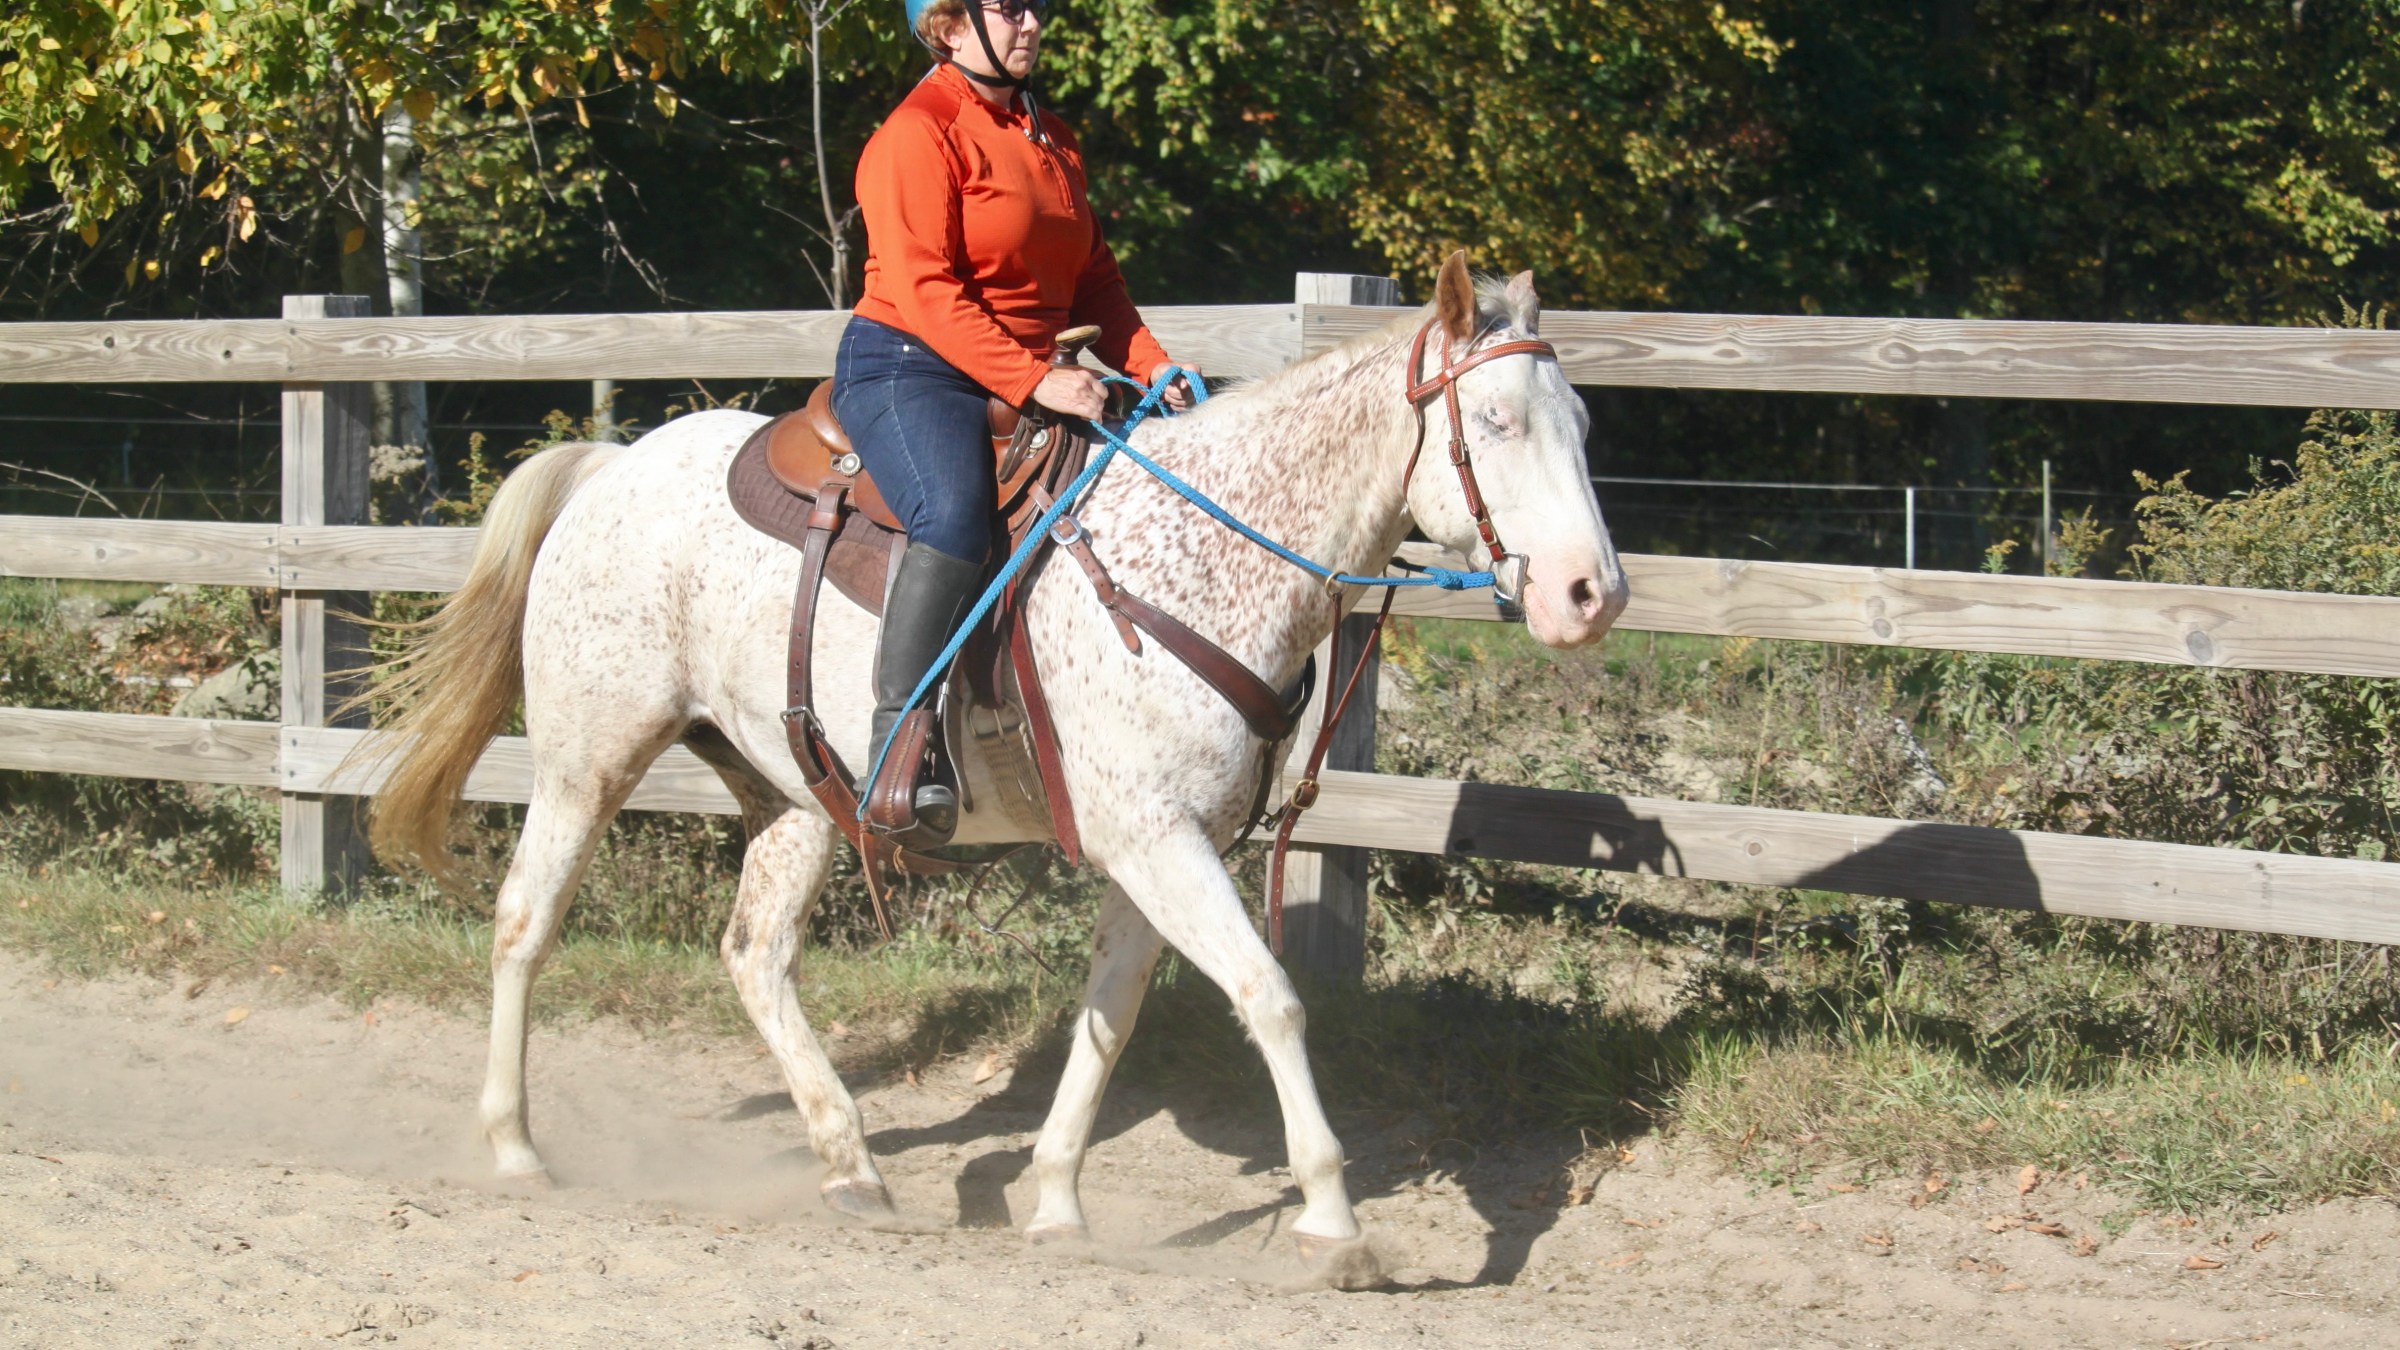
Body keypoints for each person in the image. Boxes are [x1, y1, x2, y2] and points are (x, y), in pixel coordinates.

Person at [834, 0, 1196, 841]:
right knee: (955, 516)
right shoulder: (915, 134)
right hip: (909, 364)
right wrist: (1039, 379)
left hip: (1026, 373)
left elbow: (1095, 279)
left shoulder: (1051, 135)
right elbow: (926, 291)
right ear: (948, 27)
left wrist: (1152, 363)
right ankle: (899, 747)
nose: (1031, 22)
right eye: (1008, 7)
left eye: (1037, 6)